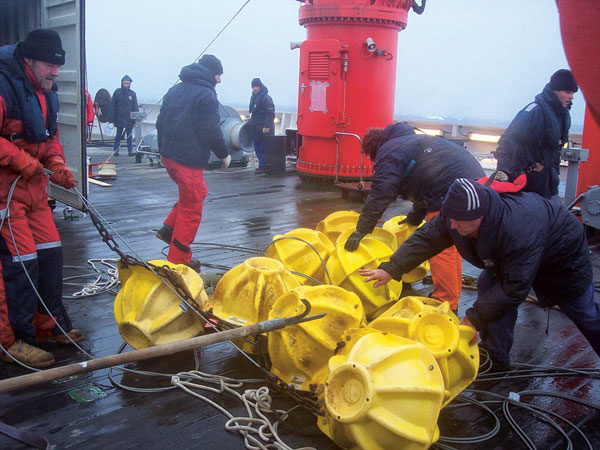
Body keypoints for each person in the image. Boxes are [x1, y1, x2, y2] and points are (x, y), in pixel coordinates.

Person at [359, 178, 600, 369]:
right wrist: (391, 268)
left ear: (481, 216)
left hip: (561, 256)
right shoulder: (457, 215)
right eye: (450, 219)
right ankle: (496, 355)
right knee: (487, 286)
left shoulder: (516, 229)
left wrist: (473, 318)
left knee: (584, 312)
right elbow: (427, 238)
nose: (453, 226)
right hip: (514, 256)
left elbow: (515, 286)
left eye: (460, 222)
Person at [0, 29, 82, 368]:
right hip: (6, 191)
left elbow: (49, 139)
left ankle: (47, 325)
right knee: (18, 264)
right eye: (50, 65)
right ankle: (12, 341)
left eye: (58, 67)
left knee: (49, 254)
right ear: (29, 60)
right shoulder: (4, 86)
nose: (55, 73)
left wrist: (58, 164)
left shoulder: (46, 94)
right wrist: (21, 160)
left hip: (34, 188)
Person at [344, 123, 484, 314]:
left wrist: (362, 229)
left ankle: (446, 302)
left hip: (451, 186)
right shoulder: (407, 143)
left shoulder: (389, 151)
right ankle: (450, 295)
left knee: (442, 245)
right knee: (451, 241)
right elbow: (423, 181)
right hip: (472, 179)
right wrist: (414, 218)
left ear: (373, 149)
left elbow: (381, 191)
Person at [155, 55, 231, 271]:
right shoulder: (206, 95)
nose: (219, 80)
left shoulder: (175, 90)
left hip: (170, 156)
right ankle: (179, 261)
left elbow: (161, 122)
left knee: (198, 193)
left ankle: (169, 229)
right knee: (192, 207)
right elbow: (211, 130)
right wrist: (224, 154)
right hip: (188, 161)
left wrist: (162, 151)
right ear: (210, 73)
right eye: (219, 74)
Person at [495, 69, 578, 199]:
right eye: (567, 92)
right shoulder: (534, 111)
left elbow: (555, 151)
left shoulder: (563, 115)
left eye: (573, 93)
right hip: (526, 185)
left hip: (548, 187)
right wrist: (504, 170)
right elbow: (508, 139)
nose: (571, 96)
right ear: (555, 90)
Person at [248, 77, 275, 174]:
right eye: (253, 87)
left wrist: (267, 126)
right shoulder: (253, 98)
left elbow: (270, 112)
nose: (255, 89)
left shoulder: (266, 98)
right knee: (257, 148)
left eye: (256, 86)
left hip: (264, 128)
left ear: (260, 87)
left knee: (264, 148)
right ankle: (262, 165)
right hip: (255, 128)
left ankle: (262, 166)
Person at [109, 74, 138, 156]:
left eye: (127, 83)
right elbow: (112, 105)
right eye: (124, 83)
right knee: (118, 135)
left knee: (129, 136)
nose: (126, 85)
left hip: (129, 118)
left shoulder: (132, 94)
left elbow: (135, 106)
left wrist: (136, 118)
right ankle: (116, 150)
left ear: (129, 84)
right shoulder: (117, 92)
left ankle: (130, 151)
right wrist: (111, 118)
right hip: (119, 117)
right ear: (122, 83)